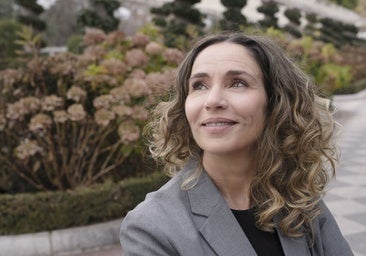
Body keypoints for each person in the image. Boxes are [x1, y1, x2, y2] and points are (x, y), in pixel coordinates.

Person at [119, 32, 353, 256]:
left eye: (237, 83)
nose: (212, 101)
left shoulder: (300, 201)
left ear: (275, 102)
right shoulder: (151, 226)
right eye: (199, 85)